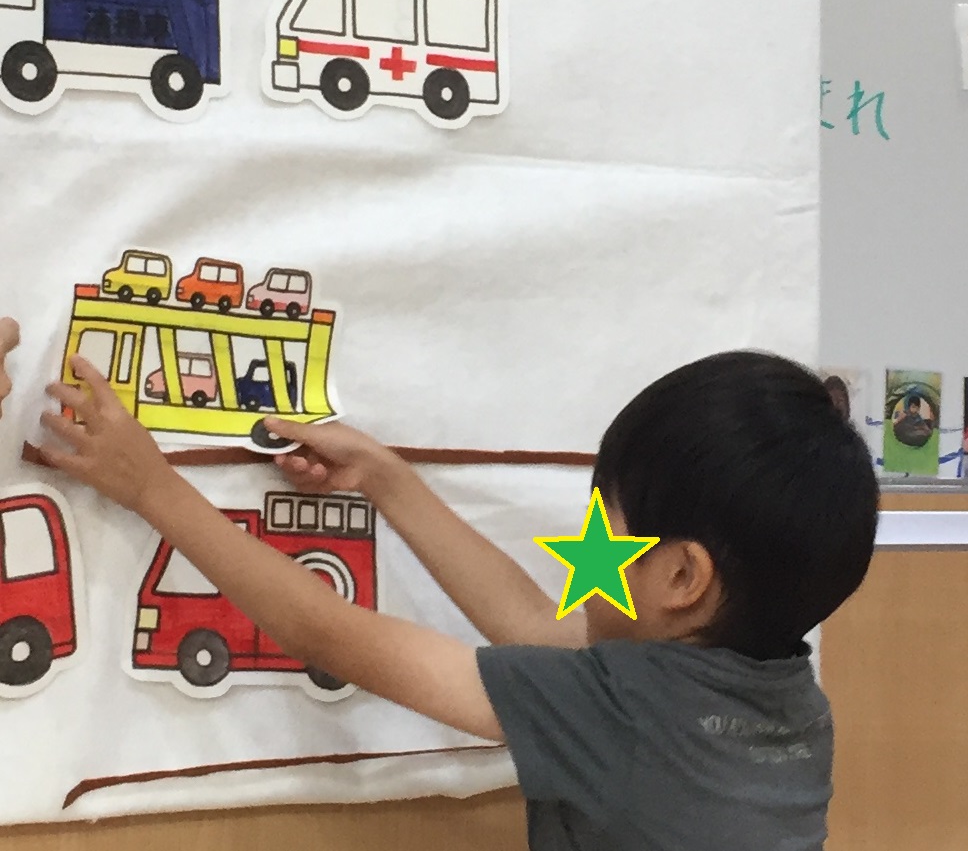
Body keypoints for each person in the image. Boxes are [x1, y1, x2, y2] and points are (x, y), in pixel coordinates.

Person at [36, 348, 878, 851]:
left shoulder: (627, 713)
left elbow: (328, 631)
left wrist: (152, 486)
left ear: (683, 579)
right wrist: (389, 482)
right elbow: (535, 629)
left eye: (607, 518)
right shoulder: (790, 703)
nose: (587, 540)